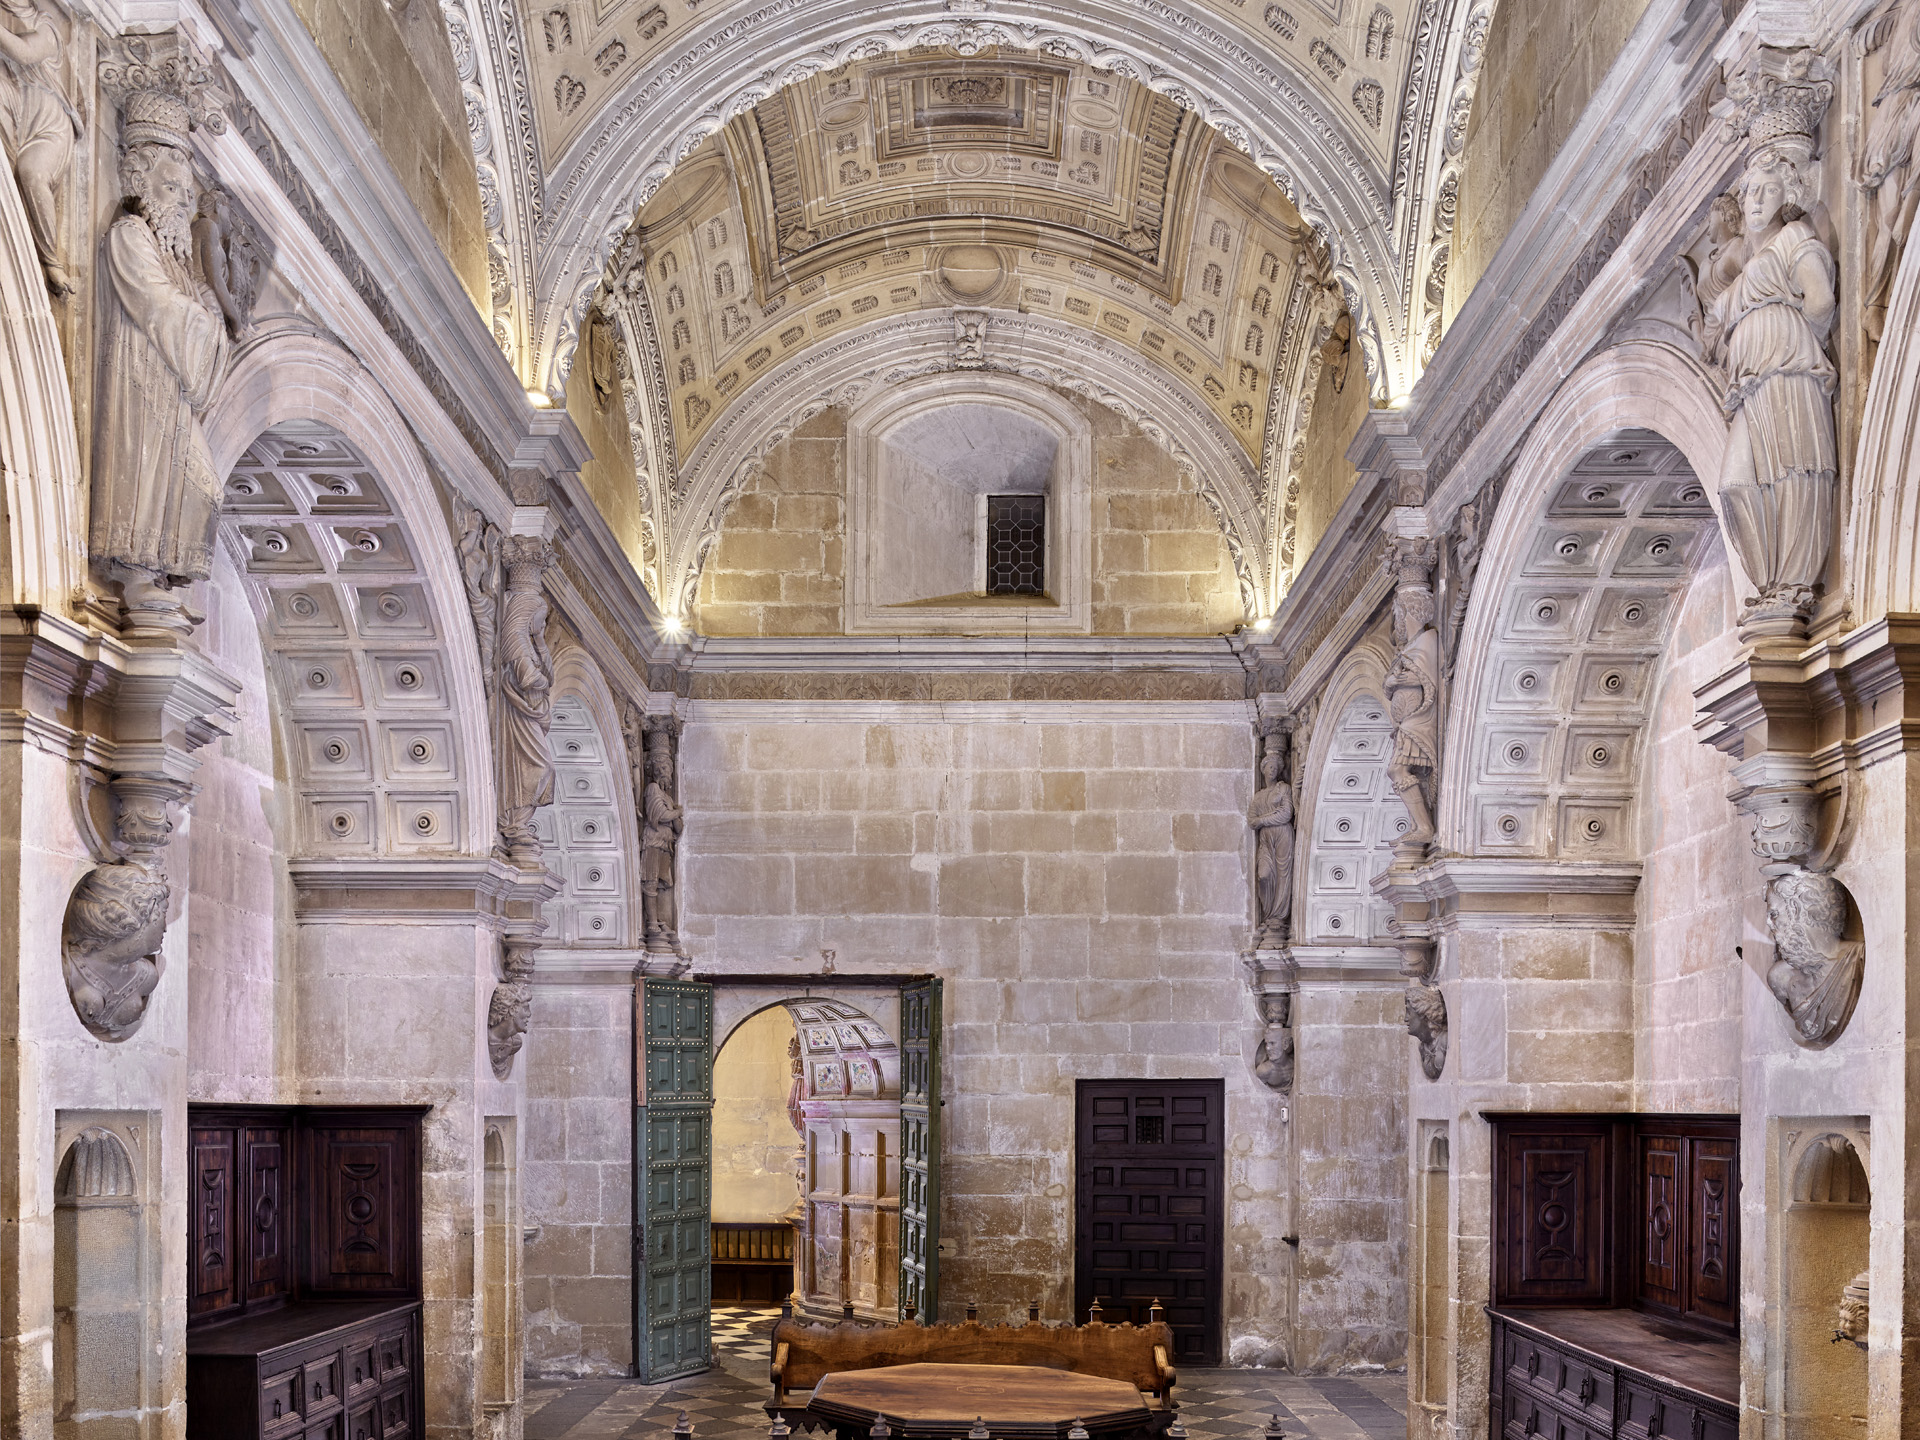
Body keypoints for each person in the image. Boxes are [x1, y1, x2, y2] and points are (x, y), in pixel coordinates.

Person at [0, 0, 78, 293]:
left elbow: (24, 52)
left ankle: (51, 262)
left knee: (32, 172)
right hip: (18, 116)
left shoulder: (46, 26)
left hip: (49, 126)